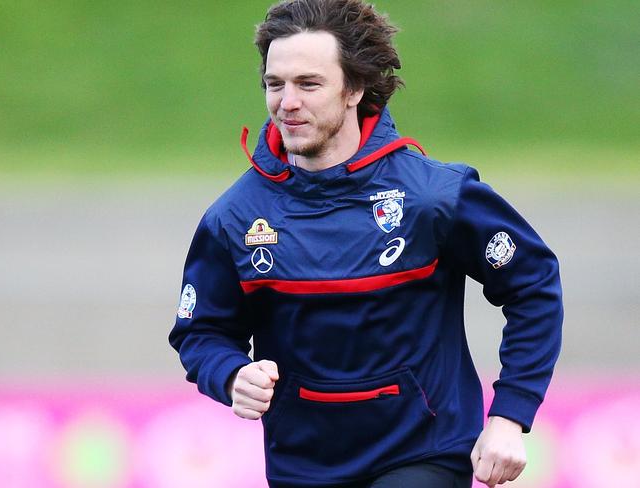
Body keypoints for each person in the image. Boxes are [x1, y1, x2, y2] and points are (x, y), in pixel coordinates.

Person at [169, 1, 563, 487]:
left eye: (308, 84)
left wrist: (509, 416)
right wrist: (230, 375)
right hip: (304, 465)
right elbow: (200, 332)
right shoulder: (235, 216)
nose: (287, 102)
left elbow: (533, 282)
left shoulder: (431, 197)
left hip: (423, 451)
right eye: (275, 84)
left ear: (354, 88)